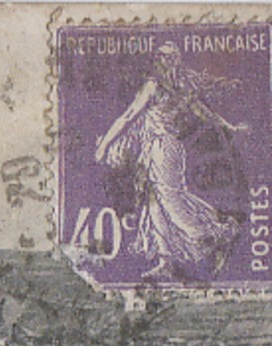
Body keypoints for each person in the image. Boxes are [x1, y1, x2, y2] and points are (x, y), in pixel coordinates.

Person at [94, 42, 246, 280]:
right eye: (161, 57)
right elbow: (204, 112)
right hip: (160, 148)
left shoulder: (155, 86)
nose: (163, 61)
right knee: (153, 203)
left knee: (170, 198)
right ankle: (166, 260)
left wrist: (104, 145)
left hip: (162, 147)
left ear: (175, 60)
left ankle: (211, 236)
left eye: (167, 57)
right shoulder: (181, 87)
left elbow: (129, 115)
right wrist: (230, 127)